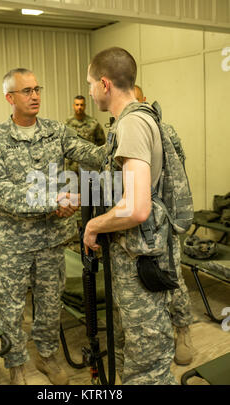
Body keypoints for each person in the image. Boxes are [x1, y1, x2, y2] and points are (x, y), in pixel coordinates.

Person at [0, 68, 105, 385]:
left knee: (50, 307)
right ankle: (17, 367)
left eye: (37, 89)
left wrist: (127, 132)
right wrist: (55, 200)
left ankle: (46, 357)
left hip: (51, 243)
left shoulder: (55, 131)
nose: (35, 96)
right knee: (11, 310)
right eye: (26, 91)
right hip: (13, 246)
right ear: (10, 97)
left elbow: (92, 154)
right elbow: (1, 192)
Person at [84, 47, 178, 385]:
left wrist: (94, 225)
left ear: (105, 84)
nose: (90, 89)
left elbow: (138, 207)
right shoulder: (131, 121)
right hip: (131, 260)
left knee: (147, 364)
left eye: (91, 83)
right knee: (133, 354)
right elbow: (123, 188)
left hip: (140, 261)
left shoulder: (133, 125)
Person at [134, 84, 194, 366]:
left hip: (164, 220)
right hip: (135, 225)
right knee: (143, 282)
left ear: (144, 101)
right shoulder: (120, 133)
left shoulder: (165, 131)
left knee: (174, 277)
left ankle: (183, 330)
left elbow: (177, 177)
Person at [65, 95, 105, 175]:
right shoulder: (67, 123)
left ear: (85, 106)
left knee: (88, 187)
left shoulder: (93, 123)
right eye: (77, 104)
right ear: (73, 106)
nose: (79, 107)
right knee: (71, 187)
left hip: (89, 166)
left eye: (81, 105)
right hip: (71, 167)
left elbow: (101, 142)